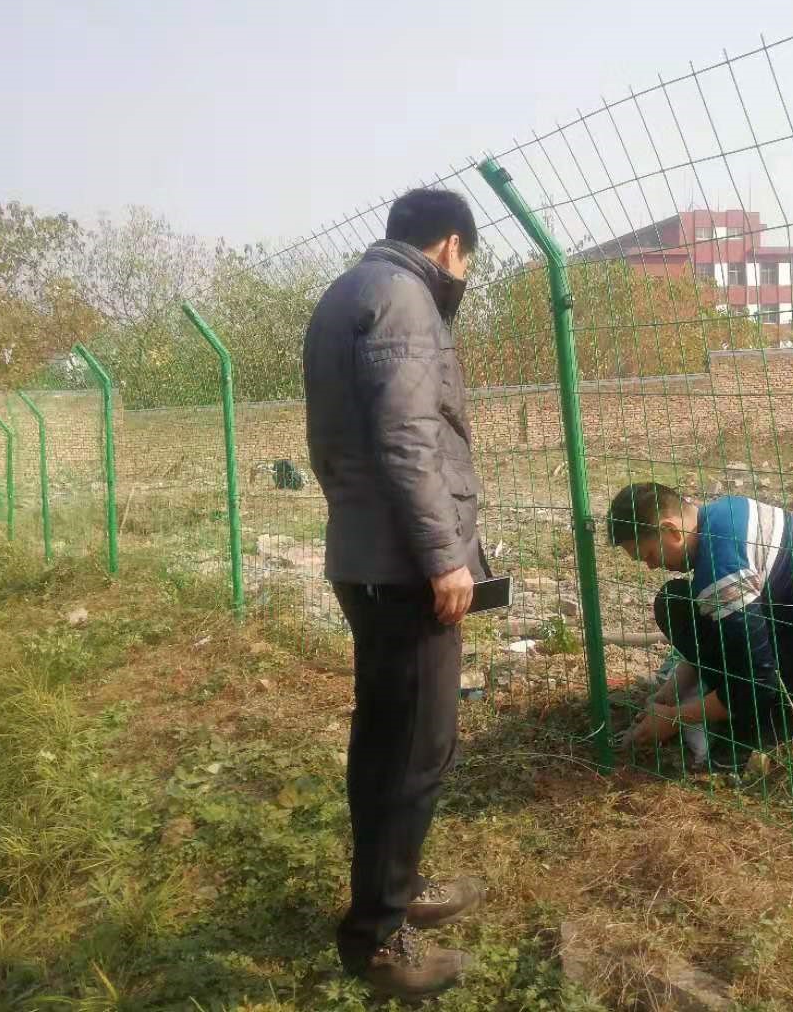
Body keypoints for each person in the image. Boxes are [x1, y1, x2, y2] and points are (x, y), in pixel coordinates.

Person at [302, 188, 487, 1001]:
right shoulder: (406, 299)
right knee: (416, 751)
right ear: (450, 245)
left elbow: (336, 441)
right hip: (407, 569)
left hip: (365, 556)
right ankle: (377, 941)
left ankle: (396, 888)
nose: (463, 278)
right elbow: (408, 437)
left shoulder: (346, 292)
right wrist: (444, 558)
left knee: (384, 740)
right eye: (468, 263)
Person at [606, 482, 793, 770]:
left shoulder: (722, 571)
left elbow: (755, 683)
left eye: (649, 555)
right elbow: (722, 630)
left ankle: (769, 724)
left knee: (740, 710)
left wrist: (676, 718)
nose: (651, 566)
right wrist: (673, 689)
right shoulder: (725, 513)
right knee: (676, 602)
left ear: (672, 531)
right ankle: (741, 710)